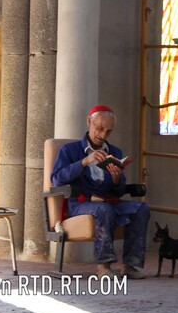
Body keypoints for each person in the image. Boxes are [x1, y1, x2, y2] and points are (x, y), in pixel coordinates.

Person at [51, 104, 149, 279]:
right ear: (89, 122)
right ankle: (103, 266)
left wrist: (118, 179)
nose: (103, 135)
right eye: (100, 128)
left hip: (108, 201)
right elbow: (57, 178)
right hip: (81, 204)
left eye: (108, 131)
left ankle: (130, 265)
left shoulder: (115, 152)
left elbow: (118, 192)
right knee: (104, 209)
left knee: (141, 208)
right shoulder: (70, 150)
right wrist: (84, 162)